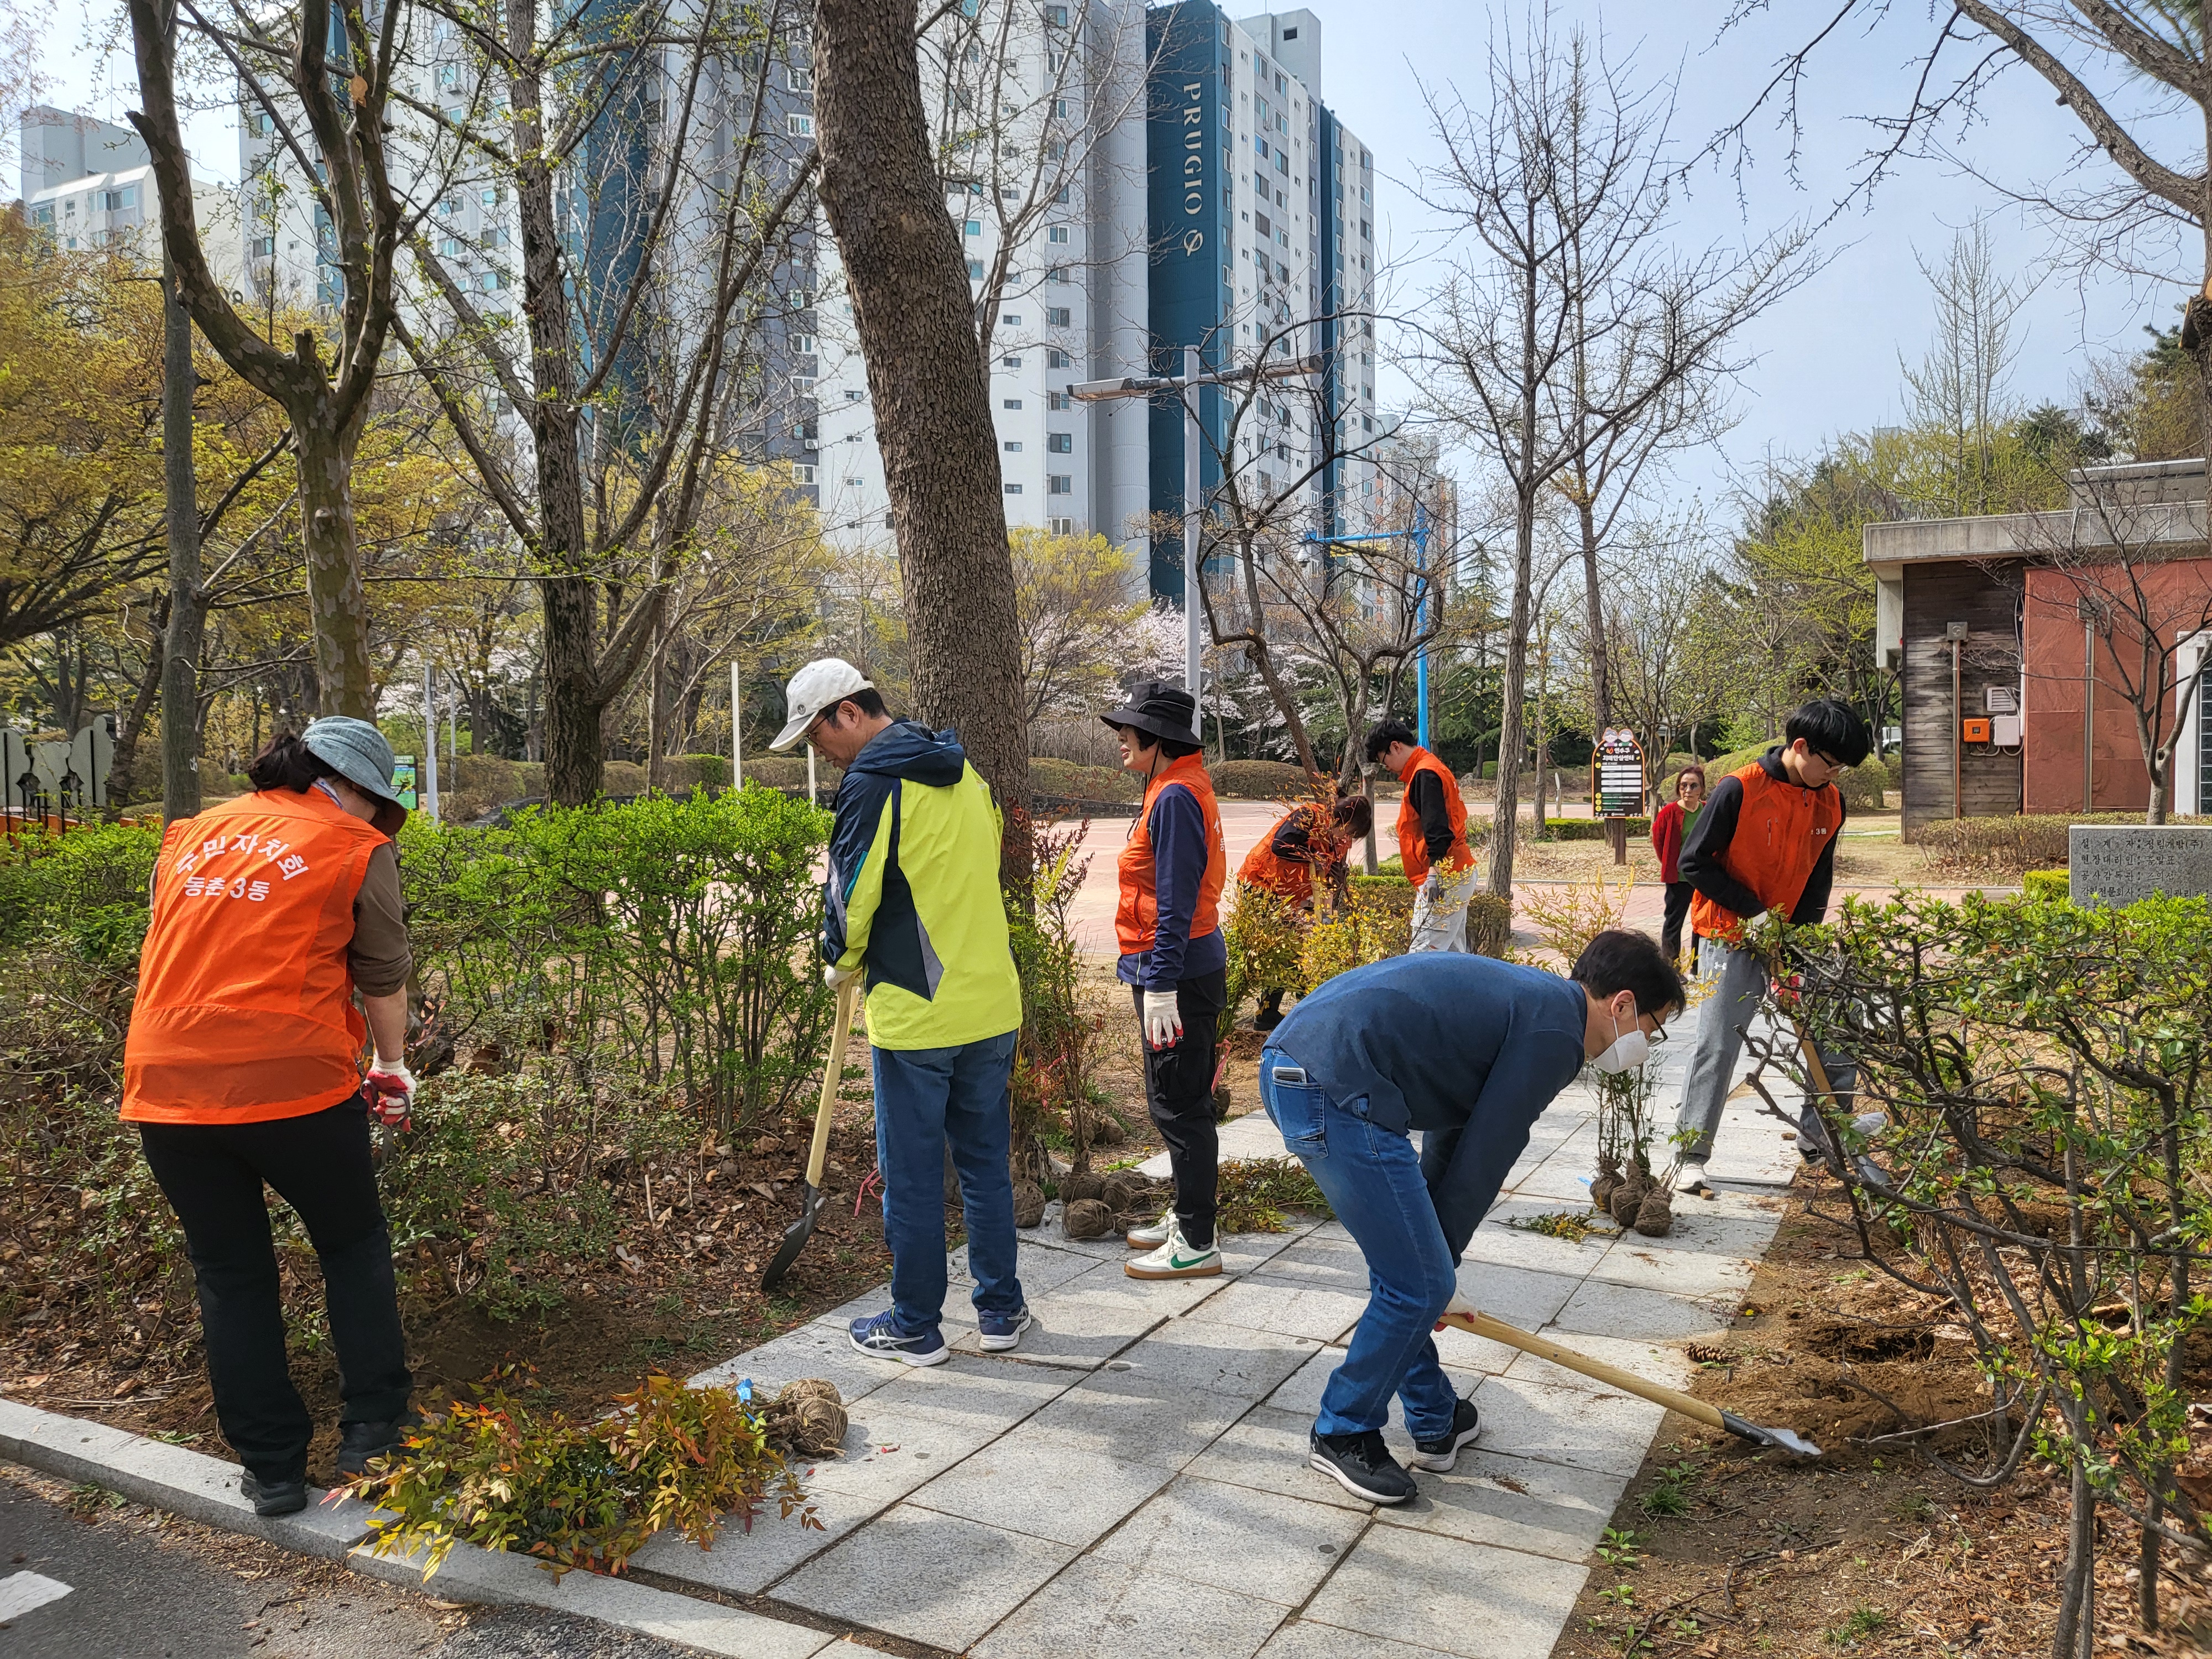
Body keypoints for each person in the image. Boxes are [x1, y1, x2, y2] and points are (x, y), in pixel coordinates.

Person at [1259, 931, 1686, 1503]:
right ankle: (1342, 1431)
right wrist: (1438, 1275)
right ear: (1623, 1004)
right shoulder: (1556, 1032)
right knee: (1416, 1281)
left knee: (1415, 1273)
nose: (1645, 1043)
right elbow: (1489, 1151)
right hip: (1329, 1083)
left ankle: (1437, 1418)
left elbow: (1454, 1135)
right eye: (1652, 1030)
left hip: (1316, 1068)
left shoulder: (1540, 1006)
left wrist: (1439, 1258)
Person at [121, 719, 420, 1519]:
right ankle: (374, 1434)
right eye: (372, 800)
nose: (371, 817)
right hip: (291, 1079)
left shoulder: (192, 834)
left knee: (228, 1269)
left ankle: (272, 1468)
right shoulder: (353, 847)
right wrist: (390, 1067)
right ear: (346, 785)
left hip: (167, 1079)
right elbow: (382, 971)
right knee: (352, 1244)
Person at [773, 659, 1029, 1365]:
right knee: (983, 1165)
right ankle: (1001, 1311)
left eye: (816, 737)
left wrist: (841, 957)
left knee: (912, 1175)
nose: (818, 755)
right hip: (991, 1001)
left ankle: (915, 1324)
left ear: (848, 713)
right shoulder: (962, 768)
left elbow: (851, 896)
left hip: (919, 1012)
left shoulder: (873, 783)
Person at [1670, 700, 1870, 1194]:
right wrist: (1753, 914)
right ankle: (1690, 1153)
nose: (1836, 774)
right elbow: (1693, 863)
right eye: (1832, 763)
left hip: (1791, 935)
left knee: (1836, 1025)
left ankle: (1822, 1135)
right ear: (1801, 747)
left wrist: (1799, 942)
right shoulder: (1739, 789)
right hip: (1728, 933)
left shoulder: (1831, 801)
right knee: (1719, 1043)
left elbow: (1817, 880)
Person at [1102, 680, 1229, 1280]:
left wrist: (1160, 983)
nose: (1120, 741)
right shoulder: (1171, 786)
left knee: (1178, 1105)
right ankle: (1189, 1213)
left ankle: (1198, 1240)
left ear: (1158, 738)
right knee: (1179, 1100)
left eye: (1128, 733)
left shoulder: (1176, 795)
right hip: (1175, 965)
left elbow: (1176, 901)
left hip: (1175, 970)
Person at [1236, 794, 1375, 1031]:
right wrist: (1314, 858)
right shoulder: (1309, 816)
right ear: (1341, 820)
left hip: (1287, 896)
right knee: (1284, 949)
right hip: (1260, 884)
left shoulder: (1337, 842)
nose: (1350, 841)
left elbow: (1329, 878)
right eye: (1350, 833)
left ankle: (1269, 1013)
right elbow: (1280, 845)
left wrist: (1324, 914)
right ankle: (1301, 1007)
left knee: (1290, 949)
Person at [1364, 720, 1476, 953]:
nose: (1386, 767)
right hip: (1455, 871)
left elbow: (1437, 827)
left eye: (1383, 759)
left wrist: (1434, 872)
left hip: (1444, 876)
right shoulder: (1429, 768)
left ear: (1395, 747)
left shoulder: (1425, 774)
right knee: (1453, 958)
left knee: (1422, 956)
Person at [1651, 765, 1707, 974]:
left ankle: (1697, 967)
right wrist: (1669, 863)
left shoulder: (1707, 810)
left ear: (1701, 789)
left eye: (1694, 786)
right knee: (1674, 922)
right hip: (1679, 878)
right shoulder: (1669, 812)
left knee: (1701, 921)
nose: (1688, 790)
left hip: (1703, 878)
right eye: (1684, 785)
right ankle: (1672, 969)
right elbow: (1658, 840)